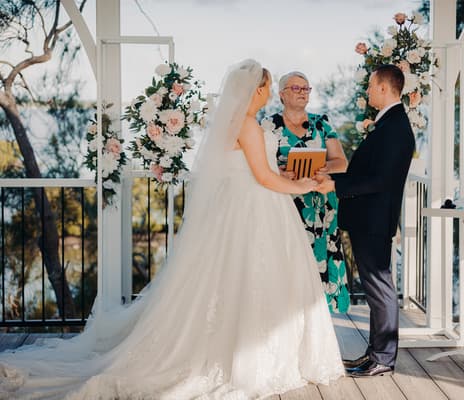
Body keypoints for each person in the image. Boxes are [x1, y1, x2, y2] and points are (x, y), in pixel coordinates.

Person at [0, 59, 344, 399]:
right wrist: (310, 187)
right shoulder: (250, 125)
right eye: (267, 88)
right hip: (256, 212)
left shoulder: (233, 124)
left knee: (234, 283)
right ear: (258, 89)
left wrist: (292, 177)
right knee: (256, 279)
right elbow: (264, 177)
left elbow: (256, 170)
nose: (268, 95)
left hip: (242, 209)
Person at [316, 64, 414, 377]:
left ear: (385, 88)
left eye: (371, 86)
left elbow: (381, 180)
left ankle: (384, 357)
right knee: (375, 290)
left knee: (380, 288)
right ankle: (374, 354)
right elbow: (367, 172)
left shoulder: (396, 127)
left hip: (374, 220)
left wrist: (336, 185)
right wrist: (331, 175)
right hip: (369, 219)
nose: (368, 91)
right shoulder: (389, 123)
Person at [263, 71, 350, 313]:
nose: (303, 93)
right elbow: (259, 165)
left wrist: (322, 168)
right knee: (288, 259)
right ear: (282, 94)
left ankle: (321, 316)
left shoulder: (321, 123)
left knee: (321, 258)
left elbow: (341, 162)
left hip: (321, 204)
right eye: (296, 88)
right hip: (286, 204)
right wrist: (280, 172)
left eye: (306, 89)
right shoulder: (269, 126)